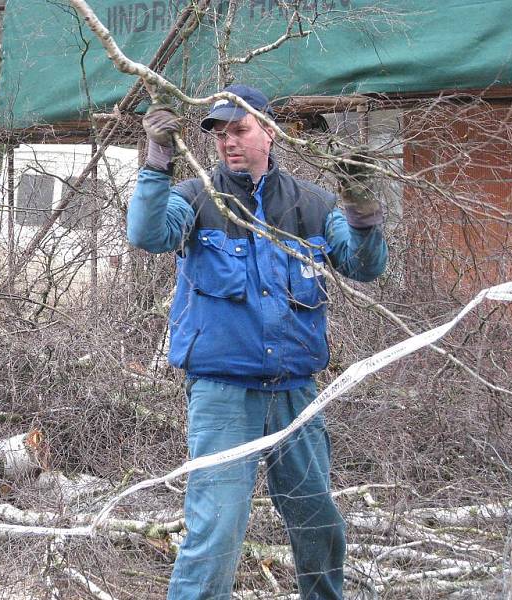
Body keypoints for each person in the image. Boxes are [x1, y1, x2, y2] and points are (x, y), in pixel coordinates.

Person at [126, 84, 388, 600]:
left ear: (268, 131)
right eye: (219, 134)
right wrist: (158, 160)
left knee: (318, 523)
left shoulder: (312, 205)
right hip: (223, 396)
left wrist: (361, 208)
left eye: (239, 129)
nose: (228, 142)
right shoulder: (196, 199)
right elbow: (146, 233)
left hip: (295, 393)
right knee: (217, 531)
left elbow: (365, 266)